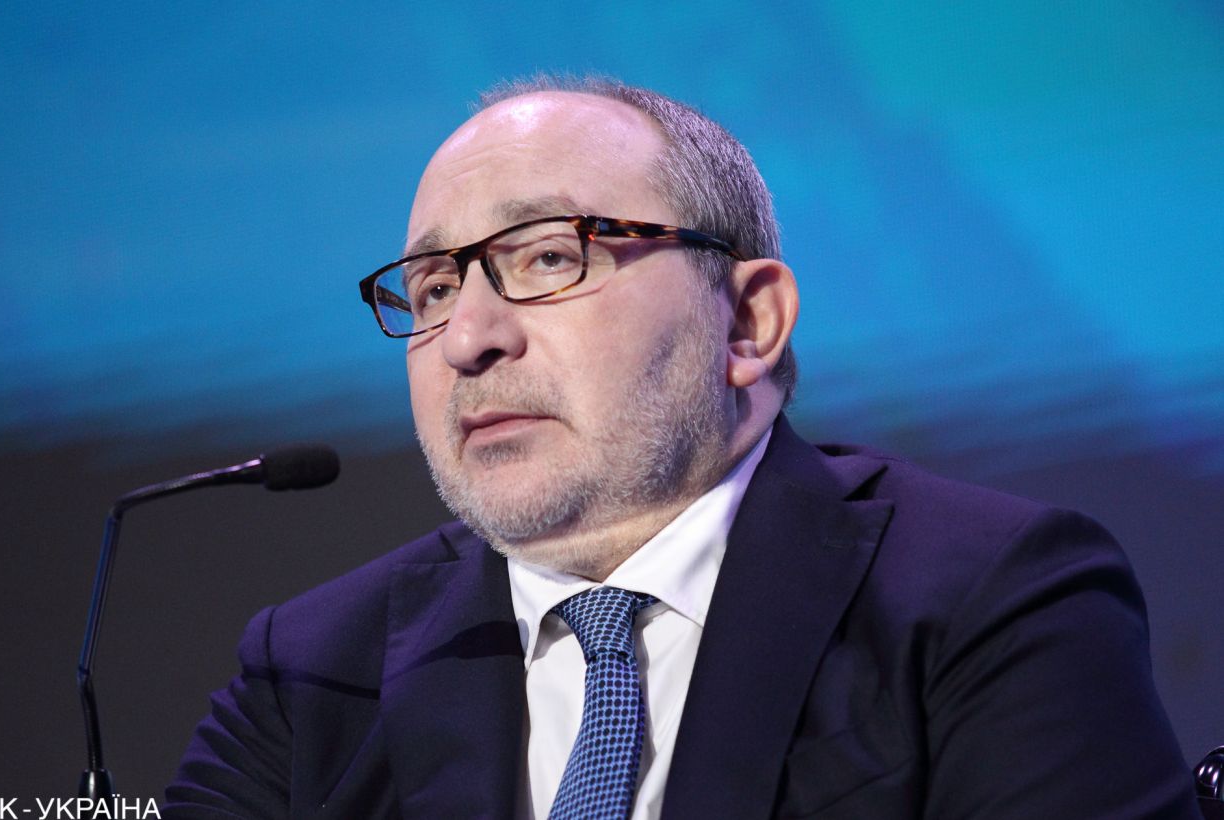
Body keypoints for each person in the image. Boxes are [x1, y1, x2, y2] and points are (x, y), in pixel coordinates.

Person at [164, 77, 1198, 818]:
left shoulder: (986, 598)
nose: (468, 337)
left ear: (747, 322)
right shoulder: (313, 668)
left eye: (548, 256)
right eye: (434, 288)